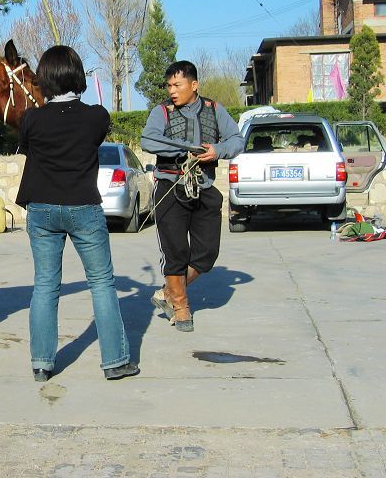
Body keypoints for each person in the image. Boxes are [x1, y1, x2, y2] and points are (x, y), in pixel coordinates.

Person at [16, 45, 139, 382]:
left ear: (44, 79)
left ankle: (42, 363)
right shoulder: (96, 116)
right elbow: (92, 131)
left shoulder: (31, 118)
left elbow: (27, 145)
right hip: (83, 207)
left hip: (40, 208)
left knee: (45, 285)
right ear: (77, 75)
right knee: (101, 283)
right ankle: (114, 362)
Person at [141, 60, 244, 332]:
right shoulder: (161, 112)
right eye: (169, 86)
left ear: (194, 85)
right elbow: (148, 140)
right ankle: (181, 307)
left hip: (204, 186)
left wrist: (217, 151)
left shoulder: (214, 109)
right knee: (175, 252)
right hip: (170, 187)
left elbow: (236, 140)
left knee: (207, 253)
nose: (172, 90)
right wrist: (184, 149)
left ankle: (168, 291)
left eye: (178, 85)